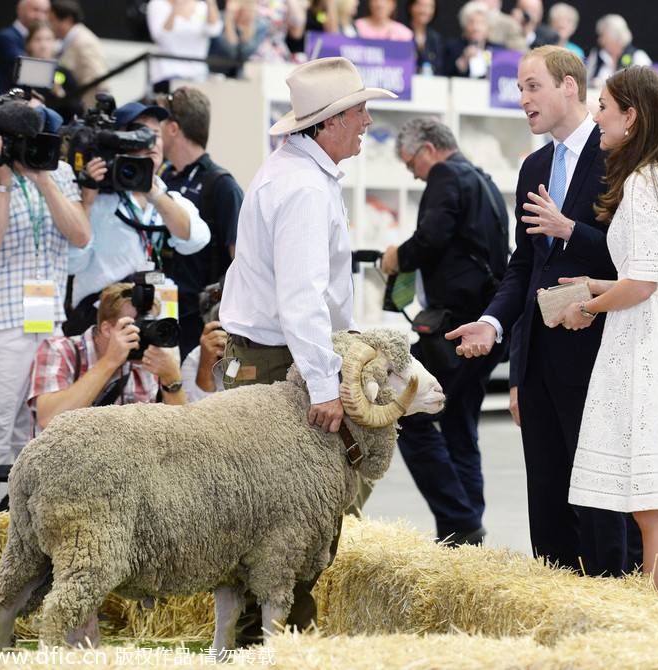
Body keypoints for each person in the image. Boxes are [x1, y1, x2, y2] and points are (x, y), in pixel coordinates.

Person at [217, 56, 395, 644]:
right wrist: (325, 387)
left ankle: (264, 643)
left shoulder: (299, 175)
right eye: (360, 110)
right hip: (276, 365)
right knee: (281, 520)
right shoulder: (300, 187)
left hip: (272, 358)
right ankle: (275, 646)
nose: (369, 120)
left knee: (268, 518)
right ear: (332, 122)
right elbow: (300, 300)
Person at [446, 46, 638, 577]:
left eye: (532, 85)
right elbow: (523, 265)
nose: (523, 98)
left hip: (598, 353)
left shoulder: (618, 156)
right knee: (548, 500)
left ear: (569, 87)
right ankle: (557, 613)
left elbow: (638, 259)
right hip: (538, 362)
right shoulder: (533, 165)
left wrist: (570, 230)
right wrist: (492, 323)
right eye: (519, 88)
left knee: (601, 501)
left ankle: (613, 611)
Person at [553, 66, 658, 598]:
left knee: (652, 511)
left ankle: (655, 631)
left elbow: (643, 283)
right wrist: (598, 283)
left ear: (632, 116)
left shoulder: (644, 183)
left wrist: (591, 306)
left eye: (604, 106)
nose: (597, 116)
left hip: (645, 341)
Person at [381, 117, 509, 546]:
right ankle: (465, 530)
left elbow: (432, 237)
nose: (413, 173)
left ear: (429, 150)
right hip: (486, 324)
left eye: (411, 163)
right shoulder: (483, 179)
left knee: (410, 414)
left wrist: (398, 256)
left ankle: (460, 520)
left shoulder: (444, 174)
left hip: (455, 329)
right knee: (458, 422)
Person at [0, 103, 91, 510]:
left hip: (50, 325)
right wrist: (2, 180)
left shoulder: (58, 172)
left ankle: (21, 537)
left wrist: (43, 179)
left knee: (36, 442)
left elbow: (80, 236)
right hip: (1, 325)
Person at [67, 101, 210, 337]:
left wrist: (152, 190)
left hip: (155, 322)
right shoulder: (97, 198)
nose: (151, 142)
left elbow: (194, 240)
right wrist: (87, 201)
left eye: (156, 134)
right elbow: (73, 263)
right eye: (141, 135)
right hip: (101, 323)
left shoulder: (171, 199)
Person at [29, 281, 188, 434]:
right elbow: (49, 421)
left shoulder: (147, 359)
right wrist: (110, 361)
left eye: (150, 323)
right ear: (107, 329)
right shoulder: (60, 350)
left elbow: (182, 433)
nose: (143, 333)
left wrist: (171, 378)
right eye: (136, 324)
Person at [157, 87, 244, 360]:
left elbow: (243, 265)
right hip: (158, 317)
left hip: (200, 329)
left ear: (173, 128)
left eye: (158, 123)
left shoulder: (221, 185)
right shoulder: (158, 181)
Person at [146, 0, 223, 92]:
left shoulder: (202, 6)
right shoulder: (157, 4)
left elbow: (214, 31)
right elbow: (161, 37)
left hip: (197, 74)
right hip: (166, 73)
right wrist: (176, 8)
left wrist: (211, 3)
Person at [48, 0, 110, 112]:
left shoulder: (84, 42)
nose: (50, 26)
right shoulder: (70, 41)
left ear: (68, 20)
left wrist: (87, 115)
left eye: (52, 21)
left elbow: (97, 81)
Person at [25, 20, 83, 121]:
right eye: (37, 39)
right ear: (28, 44)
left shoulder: (65, 73)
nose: (43, 45)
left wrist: (60, 94)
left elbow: (78, 111)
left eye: (48, 39)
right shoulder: (21, 71)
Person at [0, 0, 51, 93]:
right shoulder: (6, 38)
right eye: (35, 10)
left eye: (45, 12)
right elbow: (24, 66)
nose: (40, 16)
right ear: (20, 9)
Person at [585, 14, 652, 89]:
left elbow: (644, 88)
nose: (600, 41)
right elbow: (585, 80)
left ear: (616, 36)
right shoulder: (596, 55)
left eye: (603, 36)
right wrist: (592, 84)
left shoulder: (638, 57)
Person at [442, 2, 502, 79]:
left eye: (481, 22)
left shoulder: (497, 50)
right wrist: (463, 61)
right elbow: (445, 76)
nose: (476, 28)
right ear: (465, 26)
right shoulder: (454, 48)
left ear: (488, 27)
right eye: (471, 22)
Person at [406, 0, 442, 75]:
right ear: (411, 6)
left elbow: (439, 68)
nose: (424, 11)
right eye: (420, 5)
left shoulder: (434, 38)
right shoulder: (401, 33)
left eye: (429, 6)